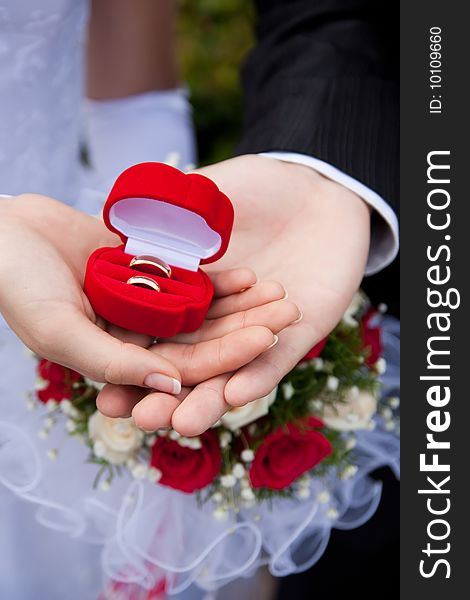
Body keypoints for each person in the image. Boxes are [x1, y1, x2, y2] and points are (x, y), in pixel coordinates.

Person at [0, 0, 398, 597]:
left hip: (69, 236)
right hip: (40, 242)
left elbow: (133, 93)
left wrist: (169, 203)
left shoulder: (128, 256)